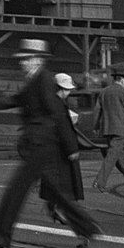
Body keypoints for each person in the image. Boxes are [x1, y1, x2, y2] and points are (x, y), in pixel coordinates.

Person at [0, 39, 100, 248]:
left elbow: (57, 112)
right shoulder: (35, 80)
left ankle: (0, 236)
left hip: (40, 145)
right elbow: (17, 99)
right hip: (40, 145)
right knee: (56, 192)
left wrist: (70, 147)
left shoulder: (43, 80)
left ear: (37, 60)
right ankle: (87, 227)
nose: (22, 63)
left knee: (15, 190)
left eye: (25, 60)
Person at [38, 72, 86, 225]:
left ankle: (53, 207)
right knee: (65, 184)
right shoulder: (59, 104)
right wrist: (72, 149)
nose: (69, 92)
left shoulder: (49, 102)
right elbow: (64, 128)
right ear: (62, 89)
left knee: (54, 182)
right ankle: (59, 209)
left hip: (50, 149)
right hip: (61, 152)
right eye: (68, 89)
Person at [92, 65, 124, 195]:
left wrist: (95, 126)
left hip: (107, 129)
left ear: (115, 79)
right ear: (123, 80)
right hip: (120, 129)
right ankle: (100, 182)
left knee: (118, 157)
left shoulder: (104, 91)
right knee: (112, 156)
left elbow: (97, 110)